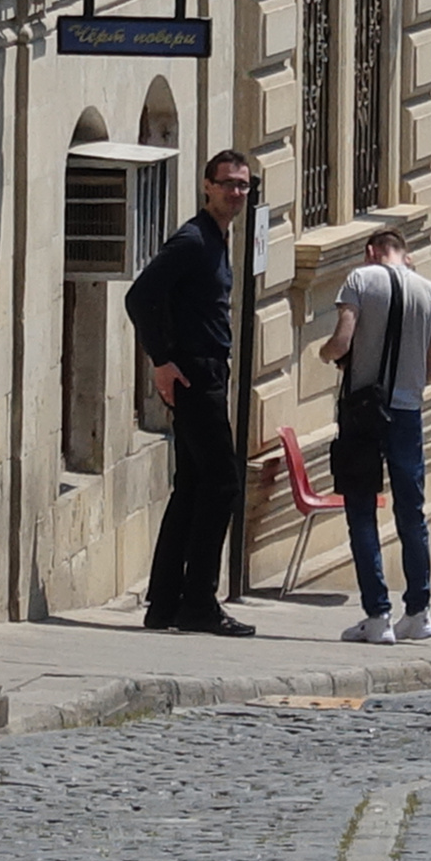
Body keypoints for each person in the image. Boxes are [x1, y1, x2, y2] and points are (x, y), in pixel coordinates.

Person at [124, 150, 256, 637]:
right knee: (222, 482)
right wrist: (162, 361)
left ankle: (165, 603)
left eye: (243, 185)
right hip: (193, 375)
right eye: (228, 184)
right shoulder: (193, 239)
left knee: (194, 486)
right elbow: (140, 296)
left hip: (209, 372)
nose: (236, 193)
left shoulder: (219, 241)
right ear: (207, 186)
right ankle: (199, 601)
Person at [317, 228, 431, 644]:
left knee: (361, 509)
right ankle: (419, 610)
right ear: (405, 254)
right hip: (408, 412)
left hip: (362, 411)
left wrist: (326, 354)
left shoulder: (360, 279)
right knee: (412, 512)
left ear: (371, 251)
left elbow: (341, 342)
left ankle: (377, 616)